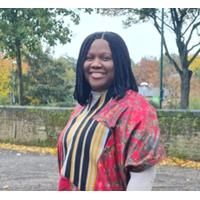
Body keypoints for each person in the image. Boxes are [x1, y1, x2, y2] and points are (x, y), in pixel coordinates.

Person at [57, 31, 165, 191]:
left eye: (105, 58)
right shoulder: (82, 108)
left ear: (119, 63)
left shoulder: (136, 109)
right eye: (89, 57)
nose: (95, 63)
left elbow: (142, 177)